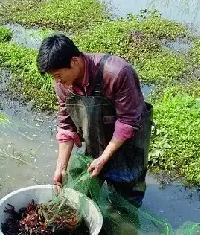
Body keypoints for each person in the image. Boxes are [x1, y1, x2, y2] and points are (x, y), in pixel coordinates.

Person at [36, 34, 153, 208]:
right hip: (95, 140)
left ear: (74, 61)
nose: (57, 81)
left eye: (59, 75)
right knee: (81, 193)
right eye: (54, 77)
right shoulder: (62, 84)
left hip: (128, 145)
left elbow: (127, 122)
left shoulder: (117, 73)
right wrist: (60, 167)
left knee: (126, 200)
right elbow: (66, 126)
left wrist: (104, 158)